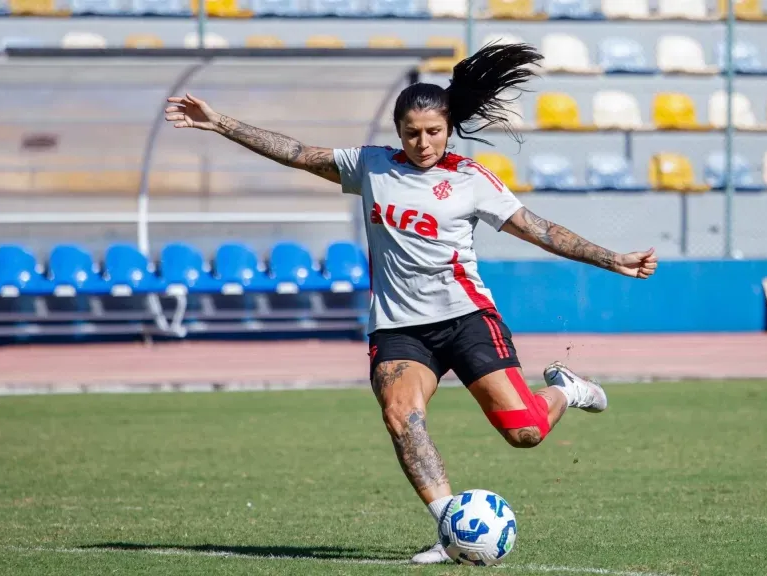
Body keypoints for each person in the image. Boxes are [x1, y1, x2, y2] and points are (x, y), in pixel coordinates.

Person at [165, 42, 658, 564]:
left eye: (433, 132)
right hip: (399, 329)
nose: (423, 143)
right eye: (412, 133)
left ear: (449, 128)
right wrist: (219, 123)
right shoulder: (370, 168)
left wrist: (613, 259)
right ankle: (452, 529)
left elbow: (537, 229)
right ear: (398, 131)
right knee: (401, 413)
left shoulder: (471, 180)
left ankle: (568, 390)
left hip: (468, 319)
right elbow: (295, 151)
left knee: (526, 432)